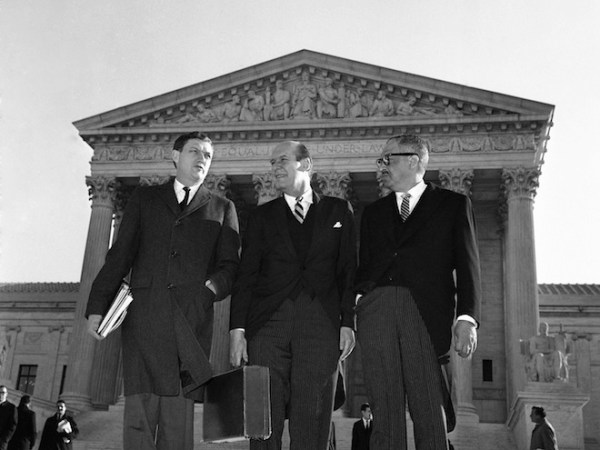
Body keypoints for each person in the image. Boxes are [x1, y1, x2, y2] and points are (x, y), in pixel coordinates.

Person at [86, 131, 240, 450]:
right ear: (175, 156)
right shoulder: (145, 199)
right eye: (194, 151)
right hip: (144, 318)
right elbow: (120, 254)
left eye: (208, 155)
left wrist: (207, 292)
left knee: (177, 423)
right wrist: (97, 306)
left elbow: (230, 267)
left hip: (190, 323)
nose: (202, 159)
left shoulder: (223, 207)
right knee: (138, 419)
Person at [355, 134, 482, 449]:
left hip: (423, 311)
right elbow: (365, 266)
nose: (381, 166)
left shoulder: (453, 204)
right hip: (377, 310)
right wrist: (359, 301)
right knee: (383, 405)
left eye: (388, 159)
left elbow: (468, 265)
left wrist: (467, 317)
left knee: (428, 405)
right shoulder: (373, 212)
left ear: (413, 161)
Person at [230, 140, 356, 450]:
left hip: (320, 324)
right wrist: (237, 330)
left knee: (312, 421)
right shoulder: (261, 216)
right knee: (262, 421)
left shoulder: (339, 210)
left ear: (306, 165)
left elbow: (348, 271)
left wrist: (347, 322)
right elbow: (246, 276)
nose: (275, 167)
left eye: (282, 160)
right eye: (272, 162)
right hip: (267, 325)